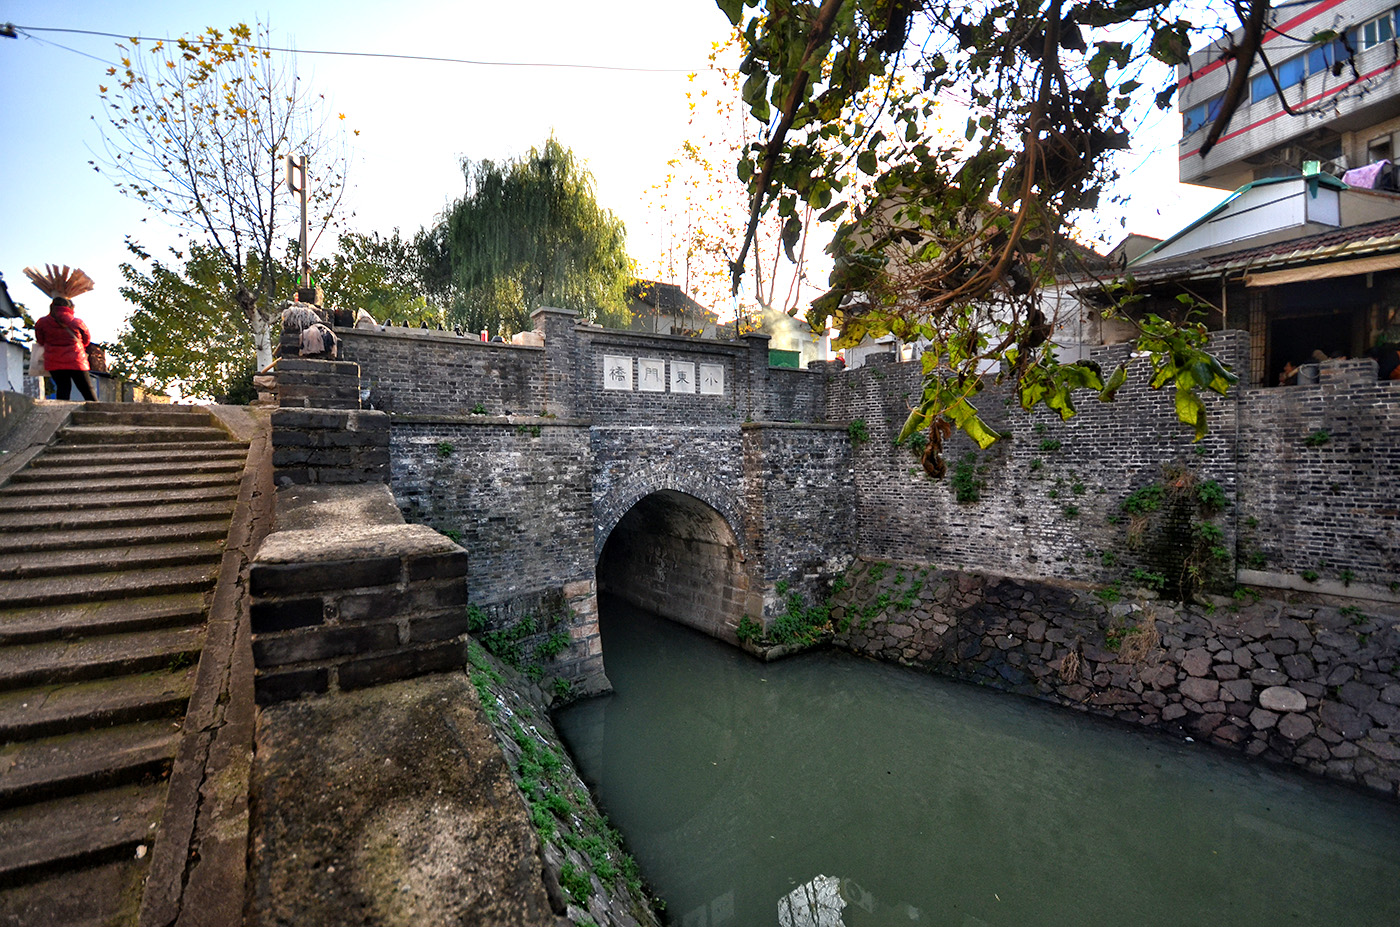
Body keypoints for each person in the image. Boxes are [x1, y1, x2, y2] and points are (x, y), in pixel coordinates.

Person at [35, 296, 96, 401]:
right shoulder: (77, 322)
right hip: (76, 360)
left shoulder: (42, 322)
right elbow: (86, 340)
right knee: (87, 391)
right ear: (70, 308)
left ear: (52, 307)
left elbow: (40, 341)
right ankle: (98, 413)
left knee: (63, 389)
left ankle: (61, 414)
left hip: (54, 361)